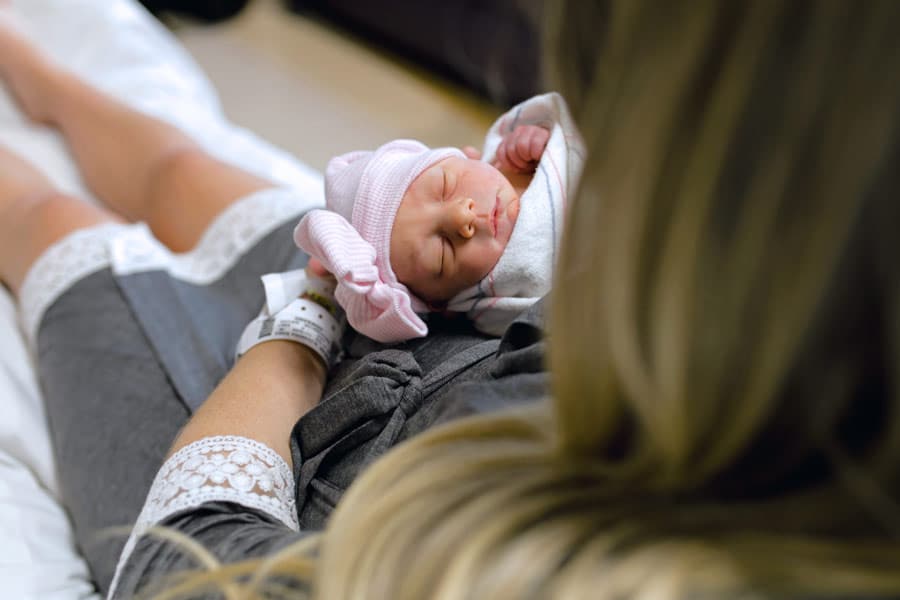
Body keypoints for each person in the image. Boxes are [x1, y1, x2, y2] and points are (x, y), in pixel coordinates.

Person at [2, 1, 900, 600]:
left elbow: (181, 565)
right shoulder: (766, 343)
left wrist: (308, 315)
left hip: (269, 432)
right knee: (182, 167)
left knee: (52, 220)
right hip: (408, 309)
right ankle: (44, 82)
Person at [290, 90, 583, 343]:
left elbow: (584, 134)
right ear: (444, 304)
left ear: (464, 156)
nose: (461, 217)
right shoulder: (488, 305)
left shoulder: (511, 158)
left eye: (446, 186)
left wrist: (542, 137)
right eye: (442, 253)